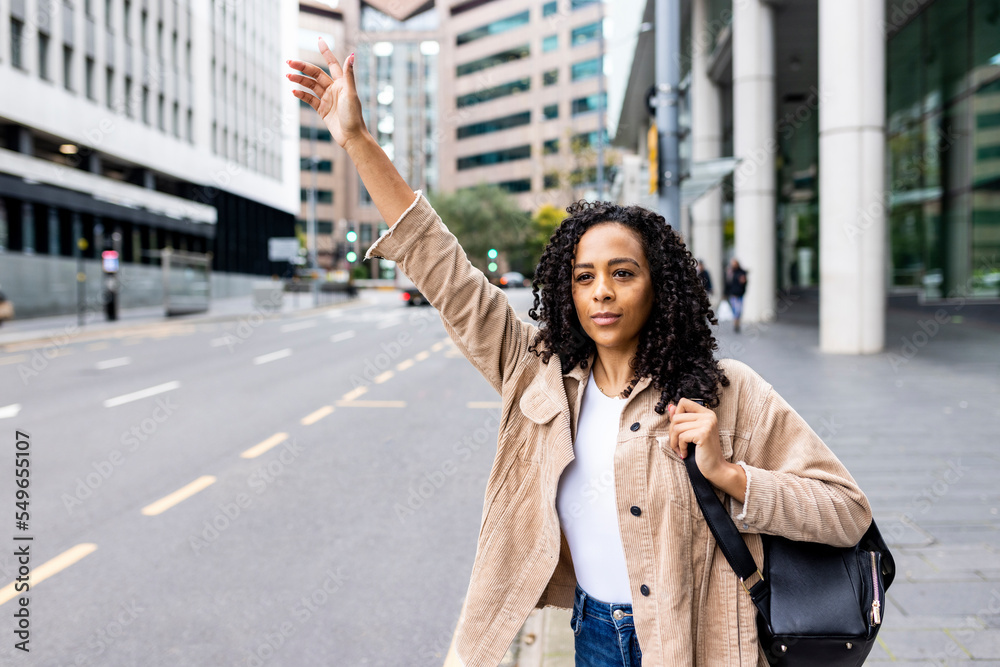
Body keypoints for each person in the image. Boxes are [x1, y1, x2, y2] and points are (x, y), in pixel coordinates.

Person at [286, 41, 872, 667]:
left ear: (659, 286)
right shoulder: (537, 374)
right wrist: (357, 142)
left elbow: (847, 514)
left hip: (692, 642)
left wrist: (731, 475)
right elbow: (442, 268)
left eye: (623, 273)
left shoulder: (727, 390)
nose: (602, 293)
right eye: (584, 276)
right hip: (593, 635)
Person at [724, 258, 748, 333]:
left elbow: (744, 283)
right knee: (735, 310)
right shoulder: (731, 272)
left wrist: (743, 282)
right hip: (733, 294)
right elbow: (728, 283)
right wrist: (726, 293)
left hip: (739, 294)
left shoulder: (742, 273)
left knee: (738, 310)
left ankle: (737, 323)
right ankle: (736, 323)